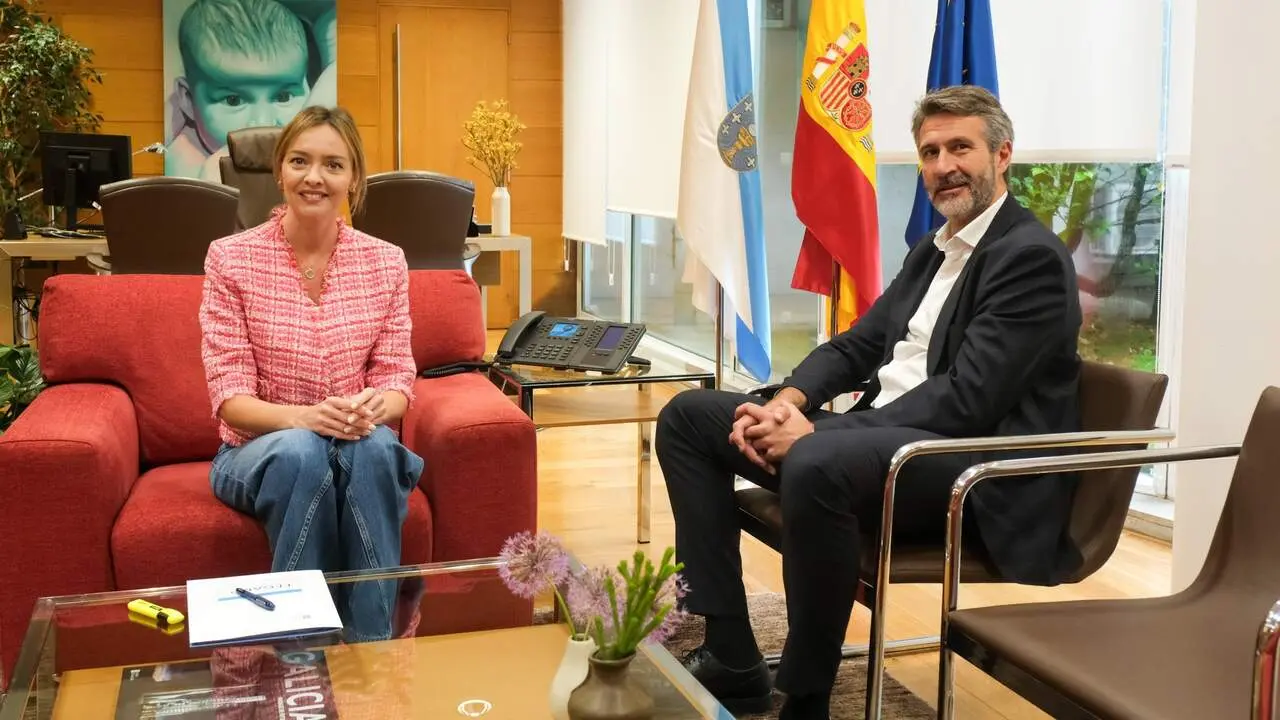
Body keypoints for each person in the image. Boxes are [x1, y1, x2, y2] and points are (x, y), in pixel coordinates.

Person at [655, 85, 1083, 719]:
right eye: (930, 152)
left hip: (970, 466)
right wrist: (787, 402)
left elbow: (968, 401)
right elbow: (859, 344)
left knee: (816, 462)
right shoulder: (933, 250)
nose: (943, 166)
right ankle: (731, 652)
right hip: (885, 440)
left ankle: (807, 697)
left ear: (1002, 156)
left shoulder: (1030, 258)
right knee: (689, 418)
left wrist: (816, 436)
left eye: (960, 147)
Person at [198, 105, 423, 642]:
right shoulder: (231, 258)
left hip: (356, 443)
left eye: (333, 164)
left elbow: (398, 380)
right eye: (300, 161)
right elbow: (230, 399)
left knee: (374, 449)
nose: (314, 177)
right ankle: (301, 654)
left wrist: (373, 406)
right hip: (255, 453)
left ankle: (371, 651)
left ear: (354, 179)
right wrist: (308, 419)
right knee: (303, 450)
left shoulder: (386, 261)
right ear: (280, 171)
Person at [167, 0, 314, 180]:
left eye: (283, 97)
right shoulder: (185, 160)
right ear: (188, 101)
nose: (263, 123)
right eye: (233, 100)